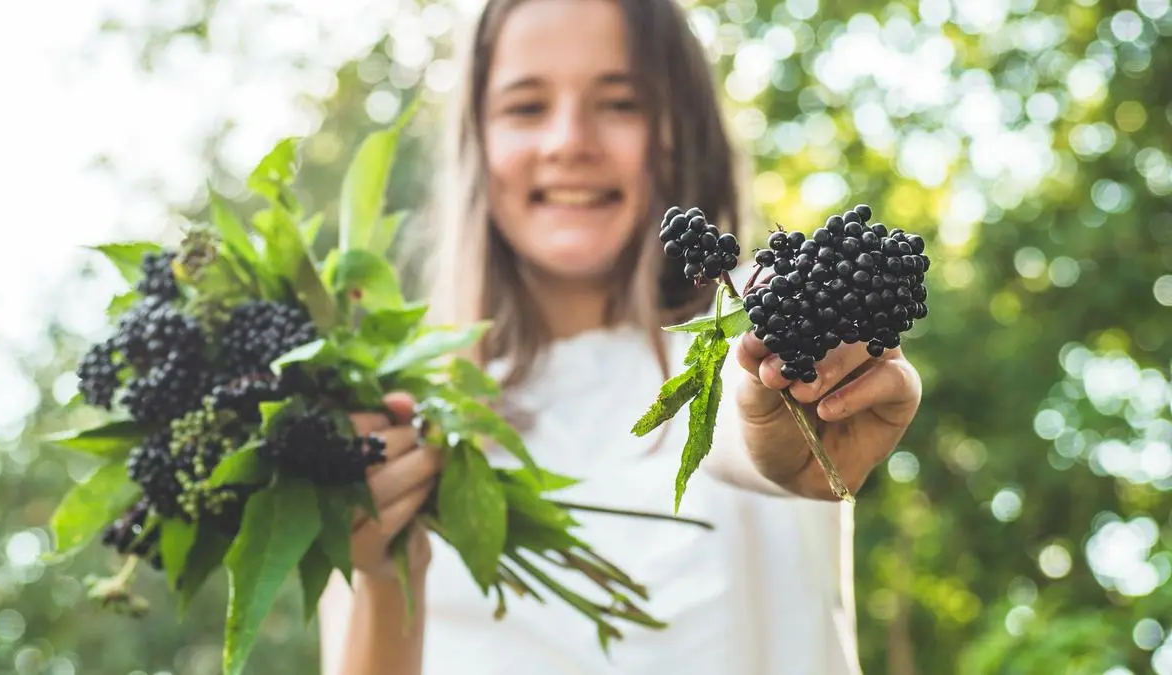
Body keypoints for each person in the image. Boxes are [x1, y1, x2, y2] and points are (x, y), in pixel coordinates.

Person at [317, 0, 923, 673]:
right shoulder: (396, 420)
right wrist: (382, 576)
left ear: (679, 130)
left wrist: (784, 408)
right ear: (478, 140)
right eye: (526, 107)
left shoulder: (743, 316)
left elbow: (739, 406)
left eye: (621, 103)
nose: (570, 141)